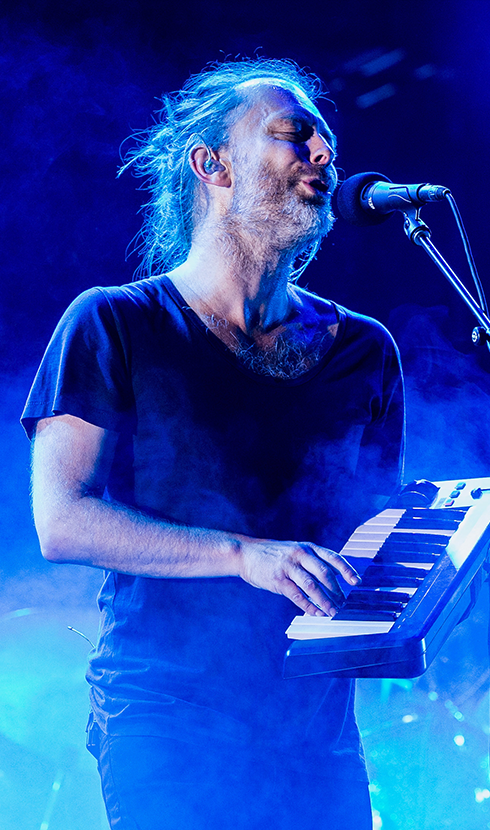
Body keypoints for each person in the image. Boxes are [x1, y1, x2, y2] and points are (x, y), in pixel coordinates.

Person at [22, 59, 404, 829]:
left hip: (318, 732)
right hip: (169, 718)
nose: (323, 153)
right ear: (213, 164)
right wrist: (243, 555)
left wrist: (458, 559)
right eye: (294, 133)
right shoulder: (113, 323)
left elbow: (376, 531)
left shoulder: (366, 351)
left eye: (326, 143)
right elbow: (62, 521)